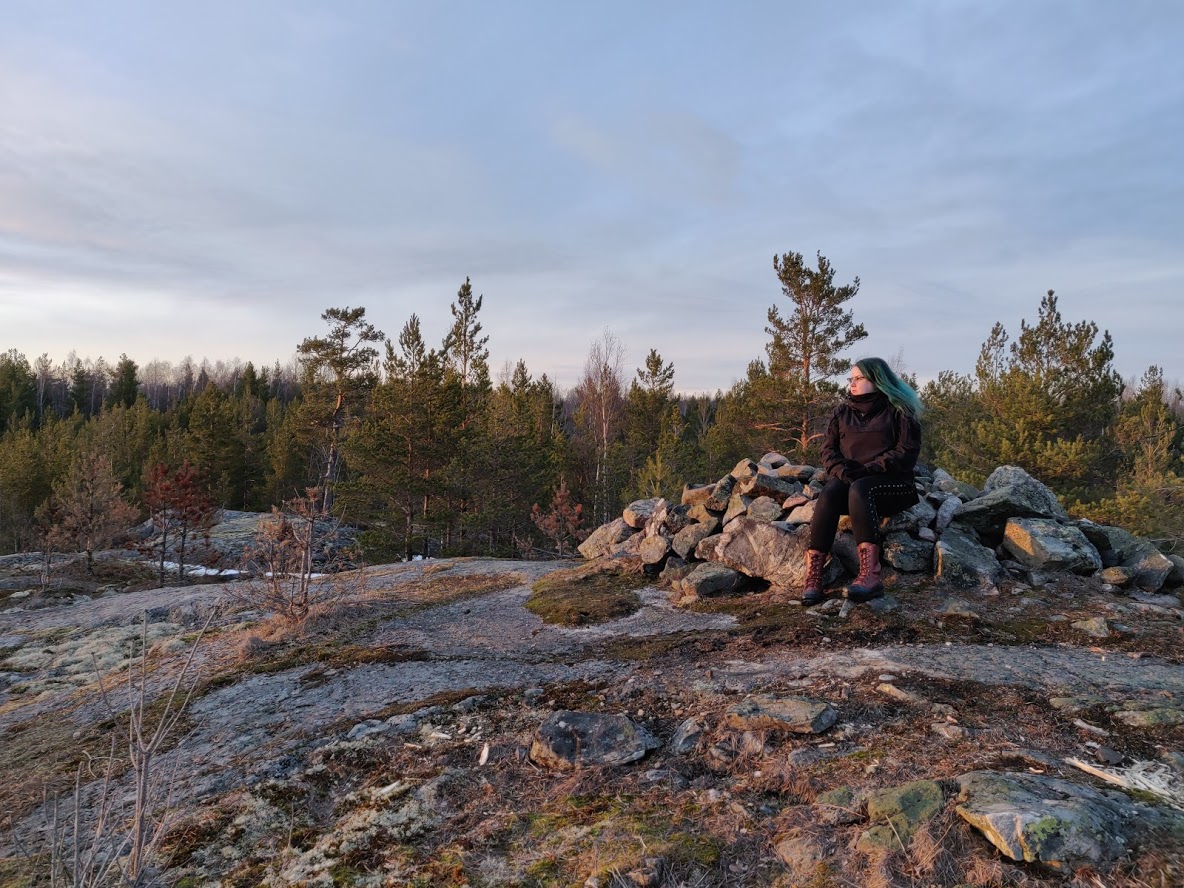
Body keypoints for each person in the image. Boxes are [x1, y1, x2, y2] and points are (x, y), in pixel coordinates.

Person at [802, 357, 923, 605]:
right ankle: (814, 577)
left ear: (877, 380)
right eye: (851, 379)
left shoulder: (900, 411)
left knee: (859, 487)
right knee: (831, 491)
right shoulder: (842, 412)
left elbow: (905, 453)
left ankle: (870, 576)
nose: (852, 384)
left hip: (893, 486)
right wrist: (841, 471)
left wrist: (866, 470)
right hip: (853, 482)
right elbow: (828, 451)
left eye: (858, 378)